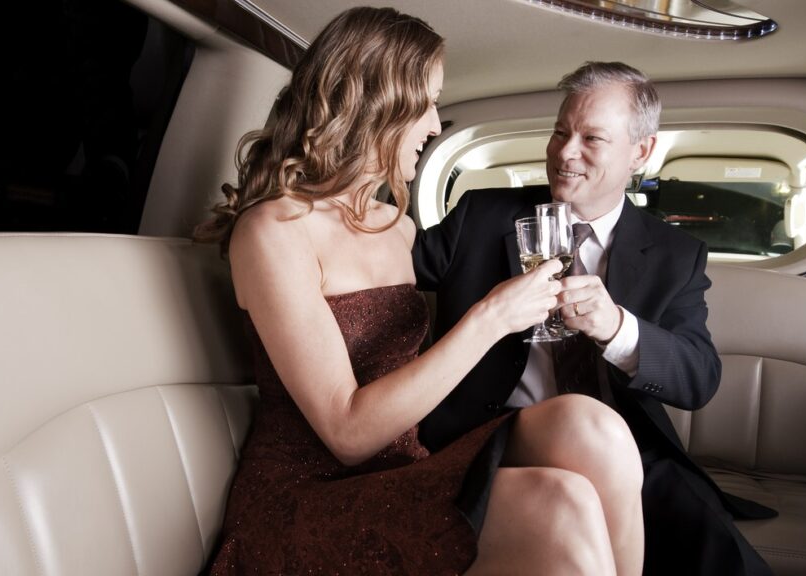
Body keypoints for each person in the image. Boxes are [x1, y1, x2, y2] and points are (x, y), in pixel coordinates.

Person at [196, 9, 645, 575]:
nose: (435, 125)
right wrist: (491, 317)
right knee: (563, 503)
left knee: (594, 427)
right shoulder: (272, 231)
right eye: (428, 103)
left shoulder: (396, 225)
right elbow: (349, 434)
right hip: (310, 494)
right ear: (374, 106)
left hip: (407, 466)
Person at [413, 61, 776, 576]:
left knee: (724, 558)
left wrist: (616, 328)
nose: (564, 153)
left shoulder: (676, 255)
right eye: (561, 131)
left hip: (622, 449)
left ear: (641, 152)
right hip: (484, 439)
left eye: (592, 138)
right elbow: (382, 276)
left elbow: (699, 379)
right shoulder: (479, 215)